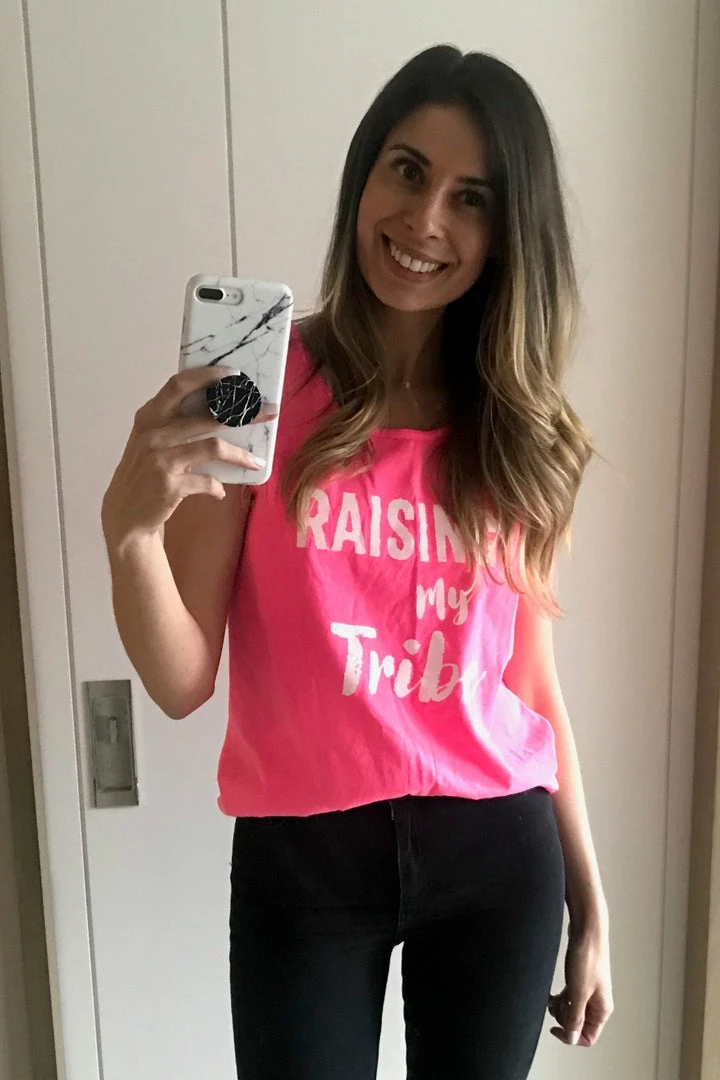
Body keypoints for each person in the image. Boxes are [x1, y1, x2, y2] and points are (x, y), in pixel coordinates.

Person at [102, 44, 613, 1080]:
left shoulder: (516, 425)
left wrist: (590, 899)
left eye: (470, 199)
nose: (425, 221)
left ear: (508, 233)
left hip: (497, 857)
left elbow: (530, 687)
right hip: (305, 860)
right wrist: (131, 535)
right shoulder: (258, 384)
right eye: (407, 171)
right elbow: (181, 680)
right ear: (364, 175)